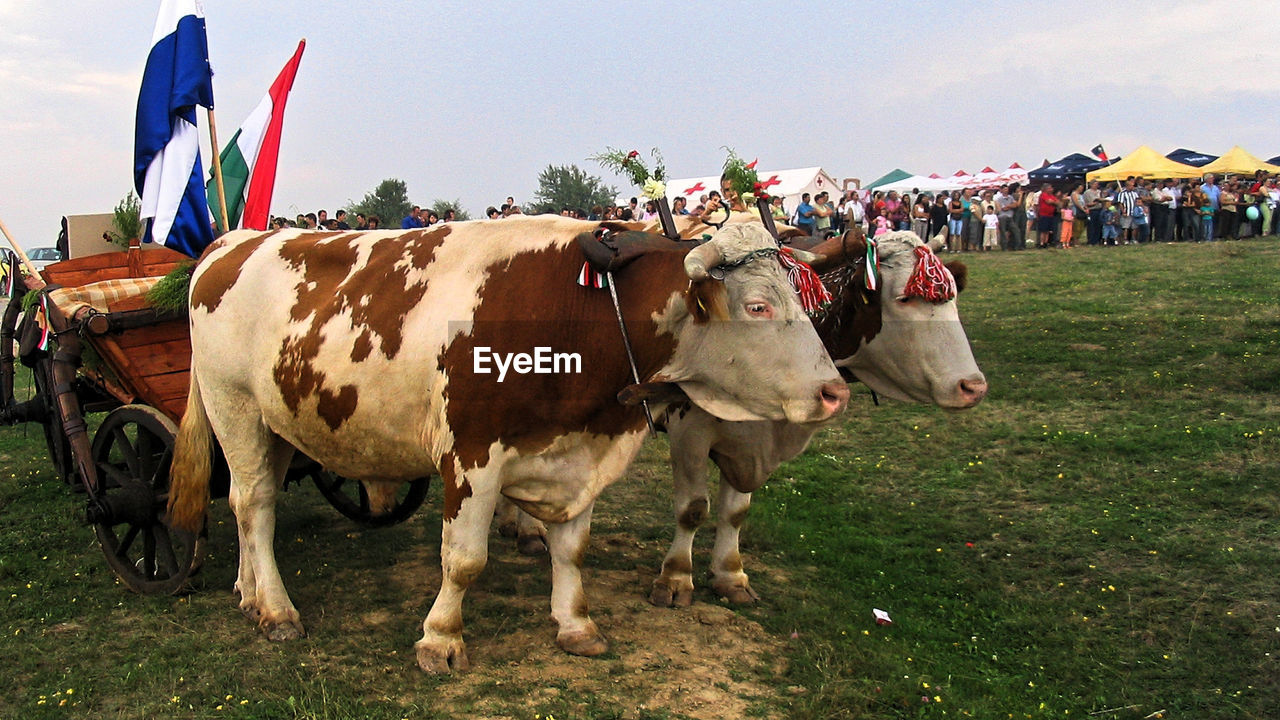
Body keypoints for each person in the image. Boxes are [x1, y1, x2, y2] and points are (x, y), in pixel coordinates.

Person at [1035, 184, 1058, 248]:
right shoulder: (1043, 195)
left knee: (1048, 230)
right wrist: (1053, 202)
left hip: (1050, 215)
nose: (1051, 189)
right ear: (1045, 189)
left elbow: (1057, 202)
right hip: (1043, 215)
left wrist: (1053, 202)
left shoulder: (1051, 195)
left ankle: (1046, 242)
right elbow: (1048, 201)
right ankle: (1041, 243)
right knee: (1043, 230)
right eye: (1049, 188)